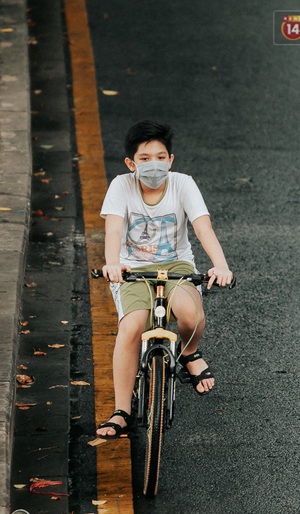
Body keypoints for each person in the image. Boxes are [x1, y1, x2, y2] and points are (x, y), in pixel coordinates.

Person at [95, 120, 234, 439]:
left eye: (160, 157)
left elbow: (202, 227)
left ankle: (189, 353)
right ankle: (121, 411)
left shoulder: (183, 184)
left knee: (192, 315)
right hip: (133, 269)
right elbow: (114, 229)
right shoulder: (121, 186)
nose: (153, 164)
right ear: (131, 164)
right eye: (144, 159)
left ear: (170, 160)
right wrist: (113, 264)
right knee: (131, 327)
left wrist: (220, 265)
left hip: (177, 266)